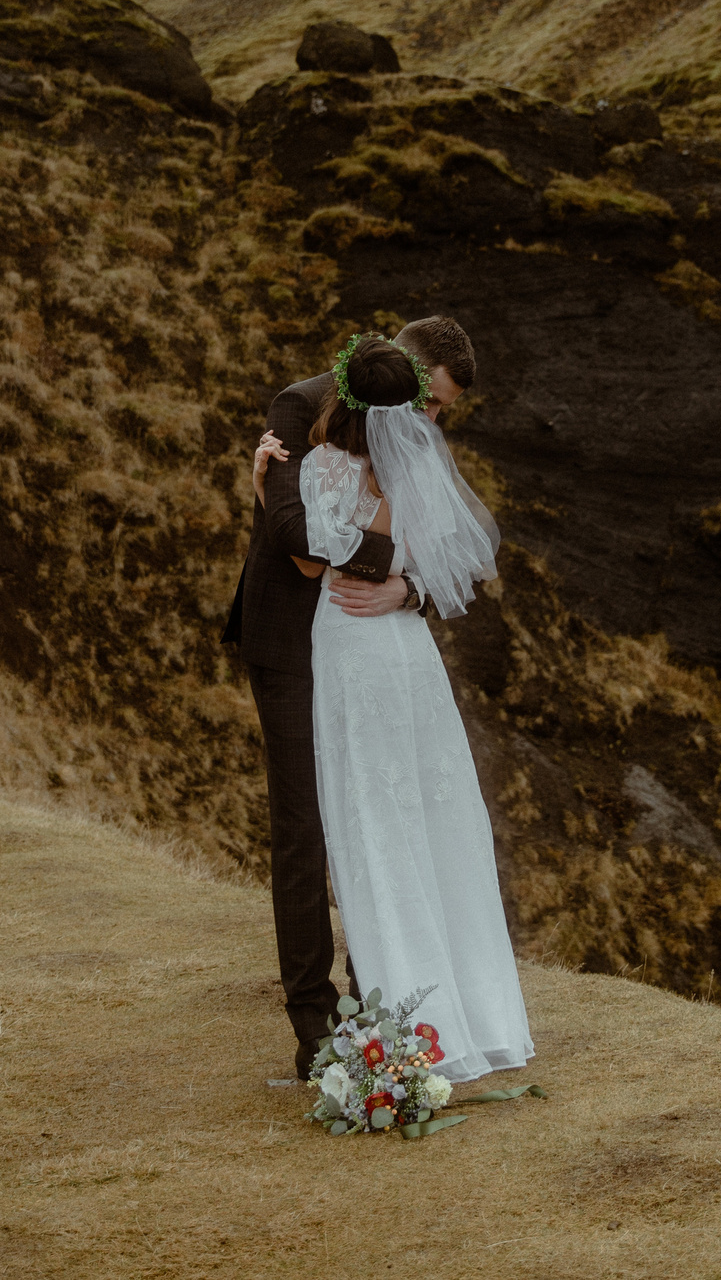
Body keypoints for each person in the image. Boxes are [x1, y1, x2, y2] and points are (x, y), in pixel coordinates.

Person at [222, 316, 491, 1079]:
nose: (432, 422)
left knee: (378, 813)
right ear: (404, 367)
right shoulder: (296, 406)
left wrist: (406, 587)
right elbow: (288, 530)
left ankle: (384, 1000)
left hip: (367, 656)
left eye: (439, 410)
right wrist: (383, 563)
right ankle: (317, 1028)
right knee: (304, 828)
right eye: (431, 401)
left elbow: (437, 543)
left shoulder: (405, 428)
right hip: (290, 648)